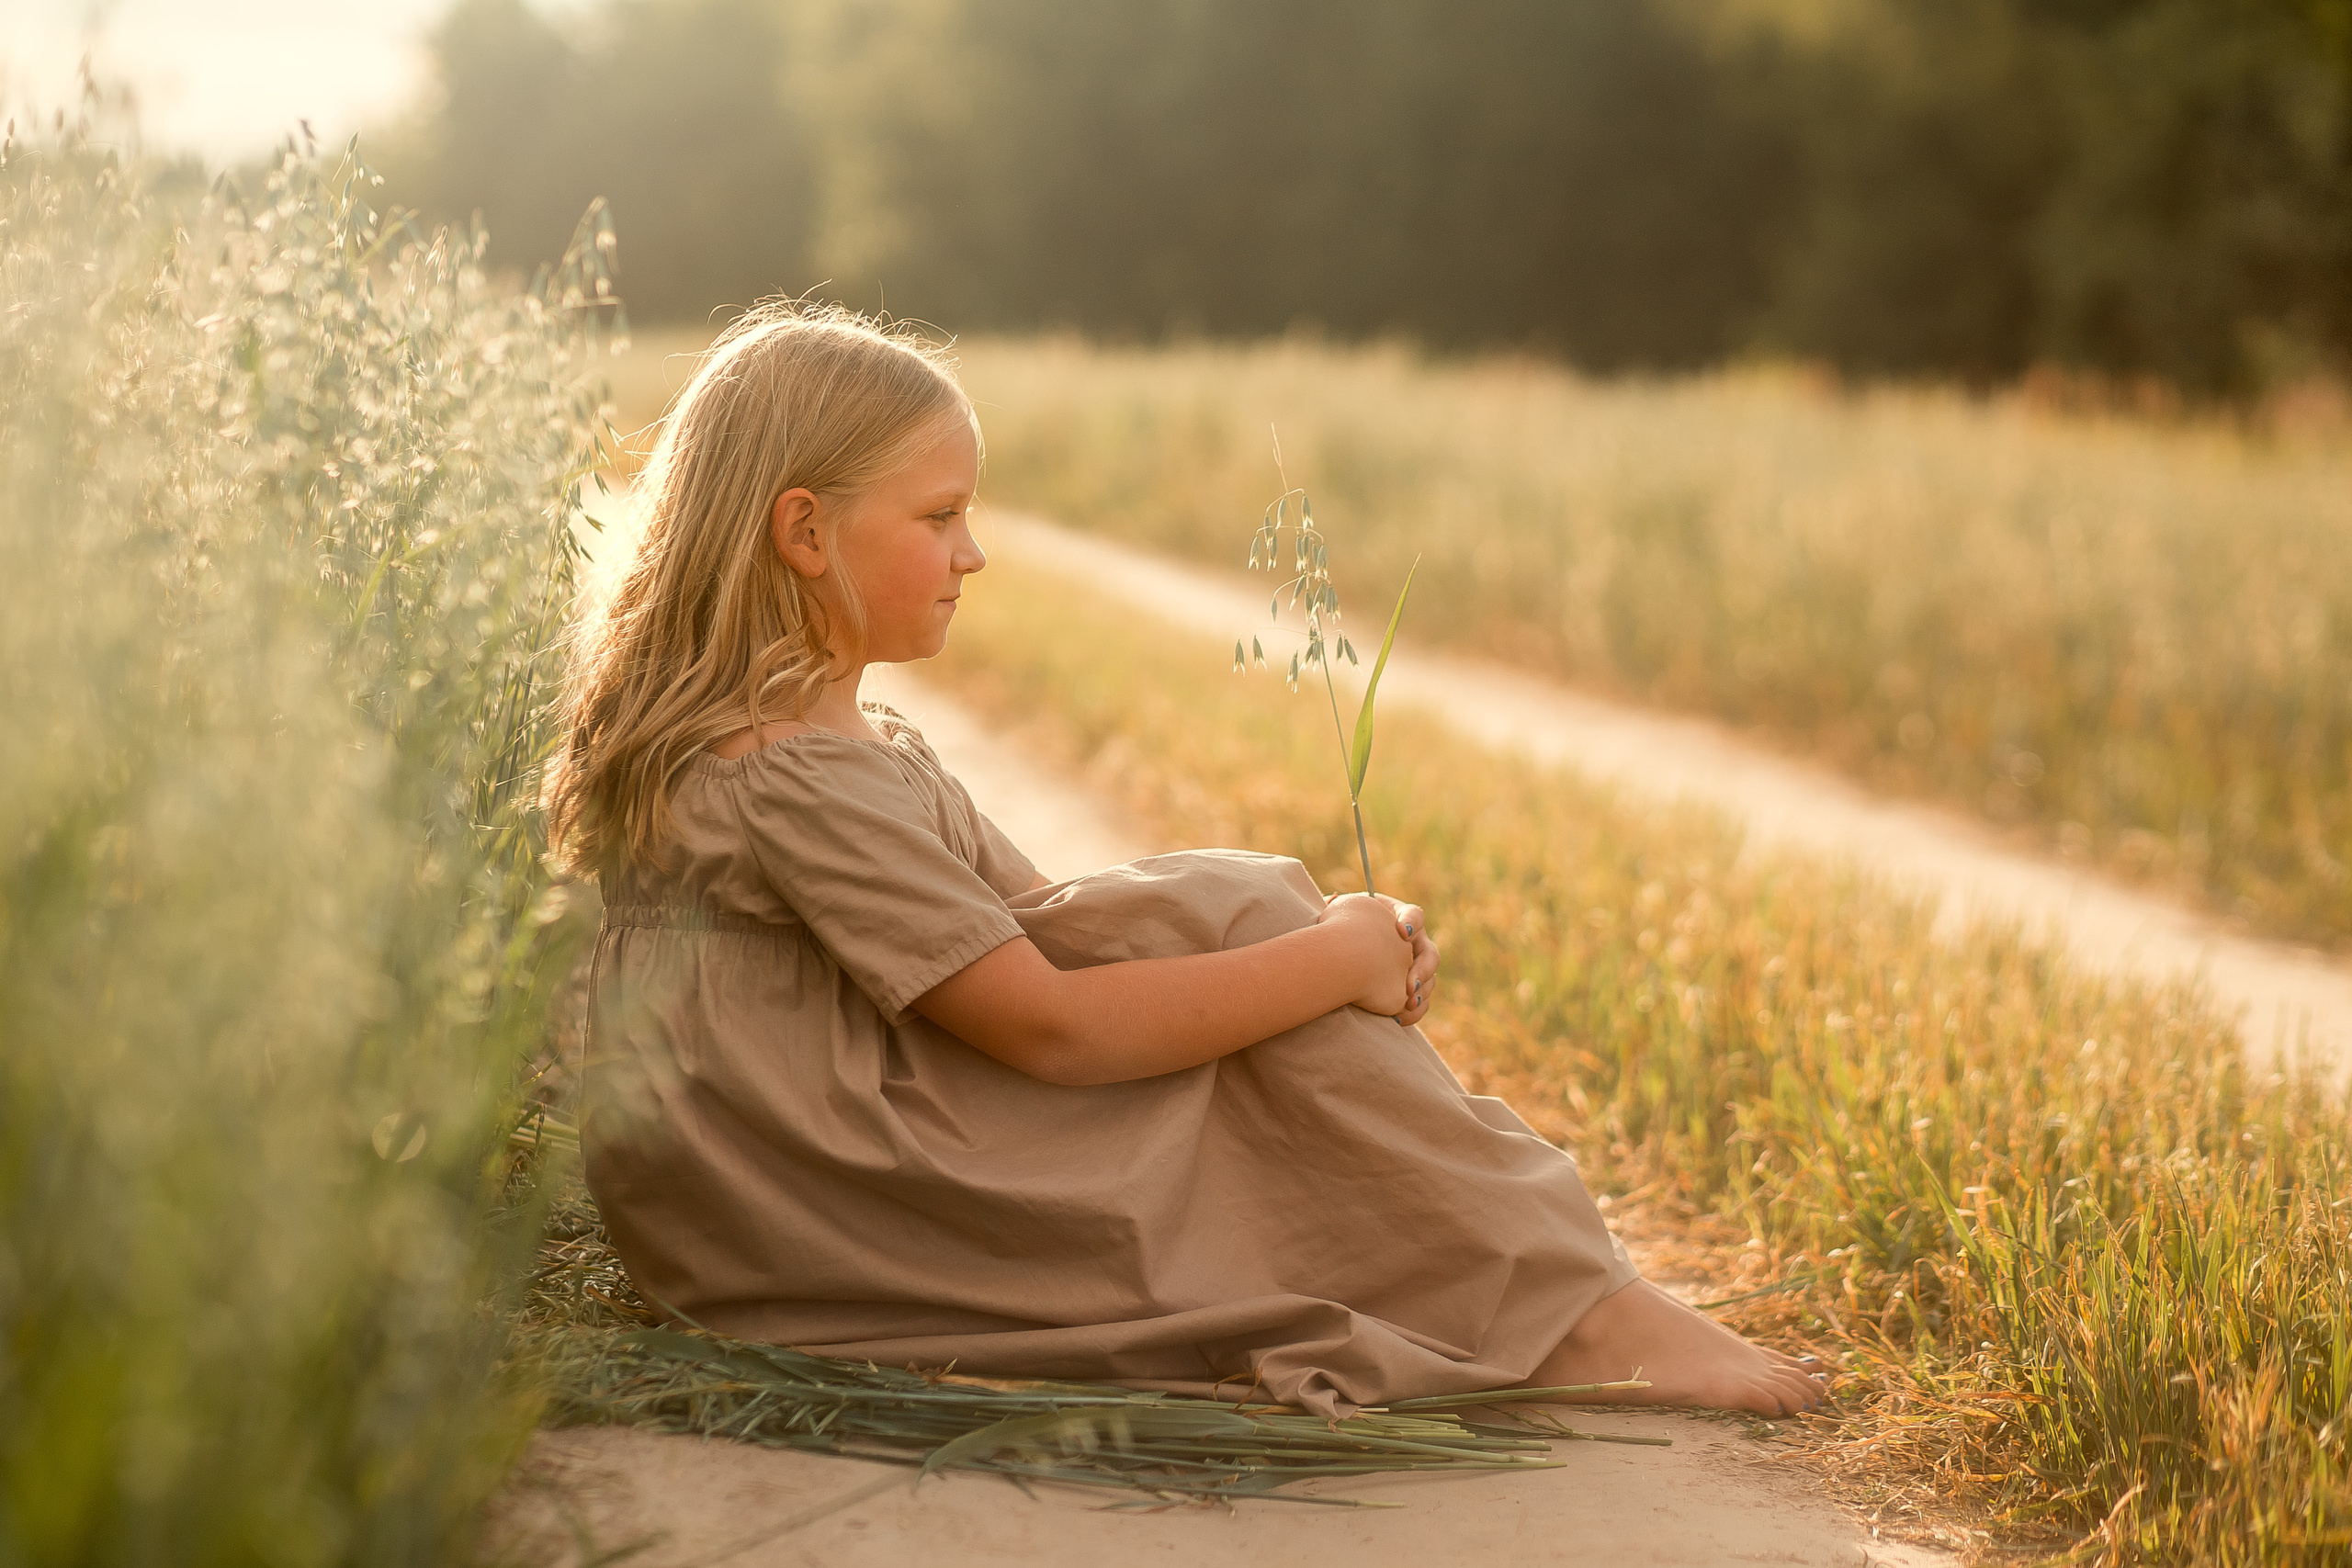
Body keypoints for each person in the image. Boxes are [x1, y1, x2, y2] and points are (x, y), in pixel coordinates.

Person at [545, 303, 1825, 1419]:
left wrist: (1297, 938)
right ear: (805, 533)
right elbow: (1051, 1028)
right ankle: (1573, 1305)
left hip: (804, 1179)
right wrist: (1324, 963)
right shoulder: (787, 780)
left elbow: (1051, 926)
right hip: (816, 1206)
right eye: (941, 518)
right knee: (1251, 933)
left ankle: (1549, 1283)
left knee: (1234, 910)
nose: (973, 555)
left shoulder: (840, 751)